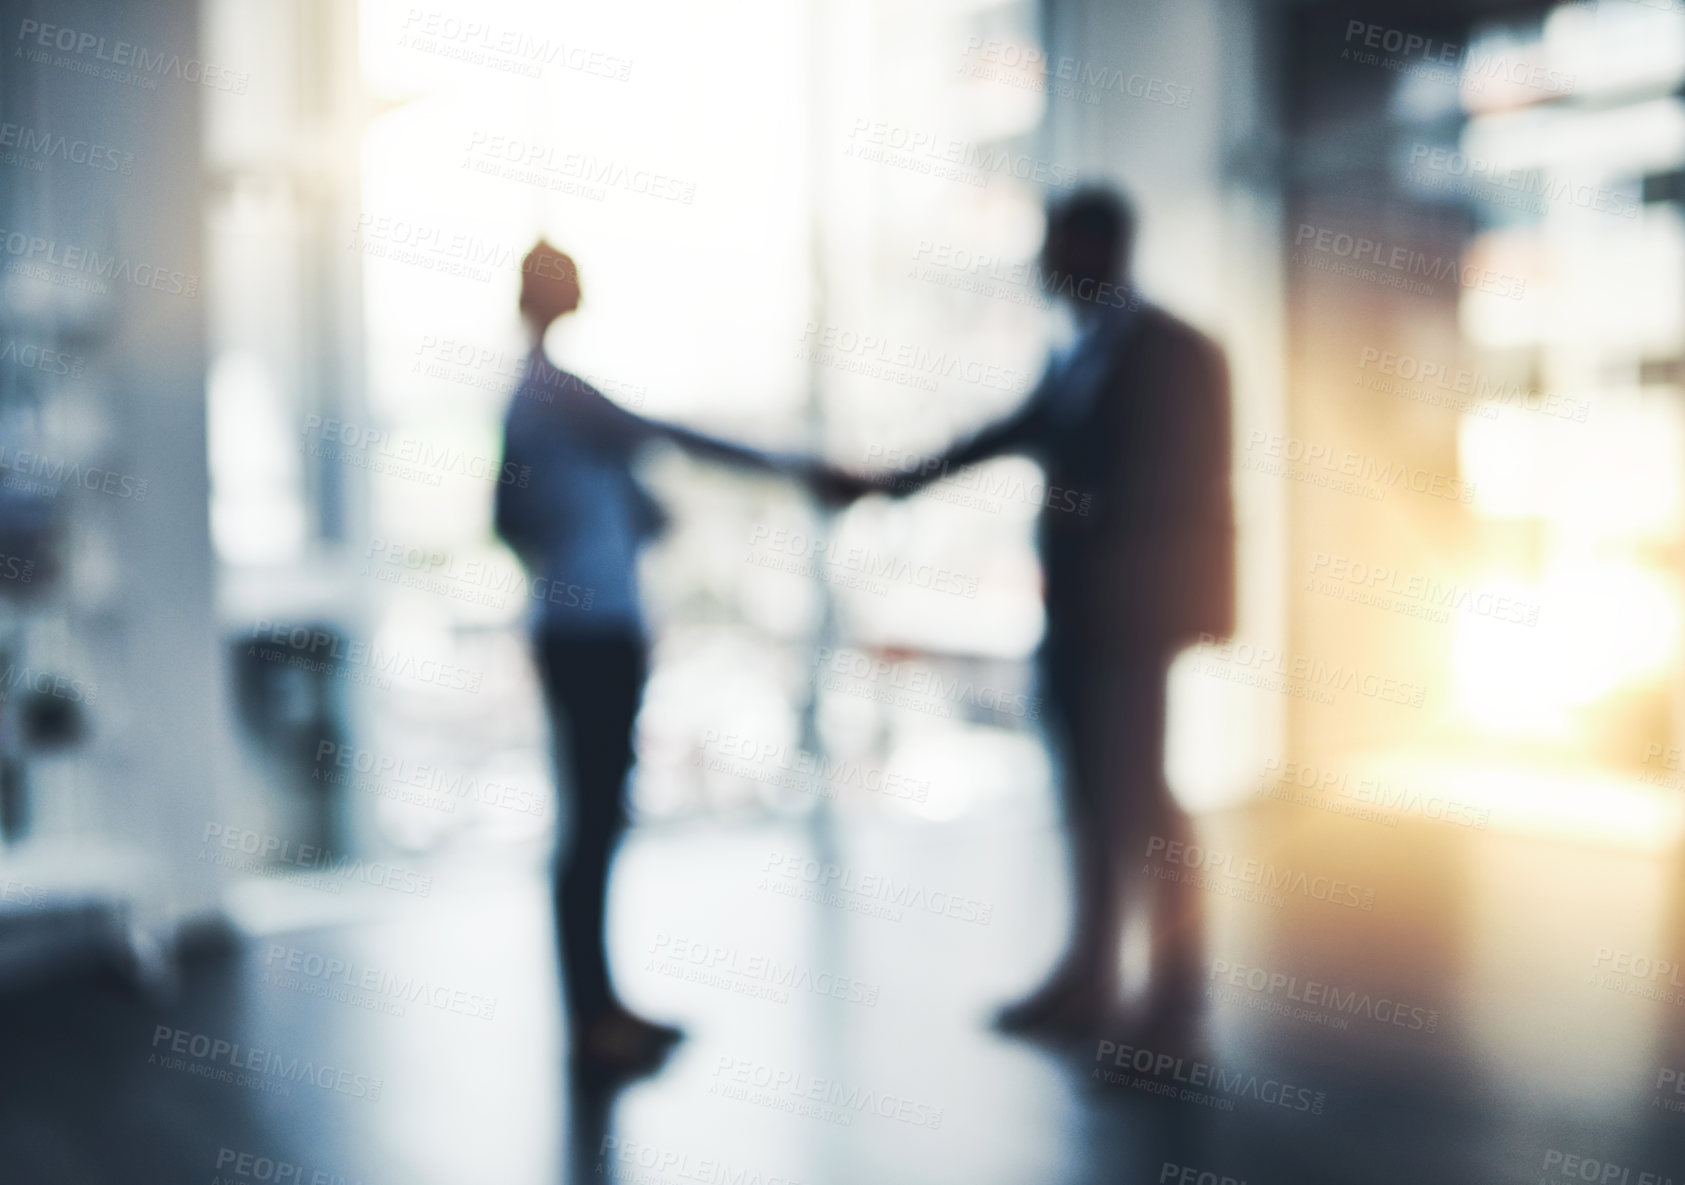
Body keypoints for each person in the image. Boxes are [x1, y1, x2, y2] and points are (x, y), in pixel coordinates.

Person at [857, 188, 1234, 1039]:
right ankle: (1089, 977)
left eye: (1061, 249)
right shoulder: (1079, 354)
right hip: (1076, 617)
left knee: (1141, 799)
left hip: (1133, 620)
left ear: (1103, 250)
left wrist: (1086, 511)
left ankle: (1173, 998)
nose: (1046, 268)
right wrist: (886, 482)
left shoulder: (1173, 351)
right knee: (1093, 798)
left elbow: (1181, 486)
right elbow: (1003, 433)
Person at [494, 241, 850, 1076]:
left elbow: (535, 513)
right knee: (591, 823)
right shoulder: (553, 389)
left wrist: (608, 523)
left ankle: (601, 1008)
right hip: (589, 637)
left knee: (597, 820)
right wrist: (803, 470)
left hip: (583, 628)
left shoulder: (540, 401)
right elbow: (671, 435)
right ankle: (591, 1019)